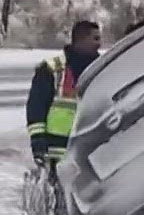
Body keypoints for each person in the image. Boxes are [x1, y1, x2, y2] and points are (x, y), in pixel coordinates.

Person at [26, 19, 102, 169]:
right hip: (56, 153)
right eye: (95, 38)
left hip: (89, 152)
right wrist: (38, 142)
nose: (99, 44)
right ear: (81, 39)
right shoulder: (51, 69)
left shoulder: (101, 69)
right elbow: (36, 107)